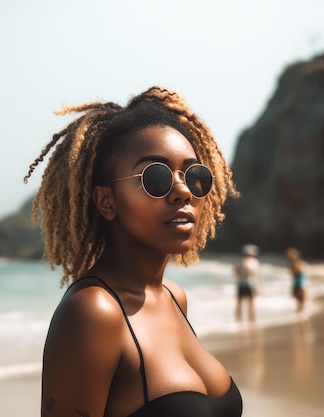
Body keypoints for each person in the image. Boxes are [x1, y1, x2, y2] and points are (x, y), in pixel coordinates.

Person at [24, 86, 242, 417]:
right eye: (156, 178)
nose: (183, 191)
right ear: (106, 201)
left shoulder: (173, 296)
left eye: (194, 175)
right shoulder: (94, 312)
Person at [233, 244, 260, 322]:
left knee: (239, 303)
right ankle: (252, 320)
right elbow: (255, 275)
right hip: (250, 284)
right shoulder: (254, 262)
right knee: (251, 304)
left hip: (241, 284)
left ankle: (239, 321)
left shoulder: (241, 262)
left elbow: (236, 273)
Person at [286, 247, 308, 314]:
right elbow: (299, 273)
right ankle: (301, 318)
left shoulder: (293, 266)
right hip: (301, 286)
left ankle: (300, 317)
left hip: (296, 285)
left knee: (299, 304)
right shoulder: (298, 265)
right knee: (302, 303)